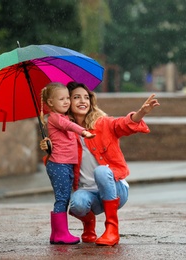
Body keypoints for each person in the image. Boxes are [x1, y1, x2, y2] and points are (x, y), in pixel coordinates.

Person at [40, 82, 160, 246]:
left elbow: (123, 124)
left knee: (102, 172)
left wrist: (140, 113)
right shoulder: (64, 132)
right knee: (76, 204)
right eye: (76, 97)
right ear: (67, 101)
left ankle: (112, 229)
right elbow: (60, 161)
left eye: (86, 97)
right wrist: (49, 146)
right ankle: (89, 223)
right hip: (89, 193)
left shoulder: (103, 123)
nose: (83, 101)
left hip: (116, 189)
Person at [40, 82, 95, 245]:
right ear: (50, 103)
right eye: (61, 99)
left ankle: (56, 233)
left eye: (67, 98)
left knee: (63, 198)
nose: (66, 102)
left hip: (65, 164)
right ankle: (61, 233)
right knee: (62, 199)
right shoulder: (56, 117)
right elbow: (68, 126)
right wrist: (83, 131)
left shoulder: (62, 116)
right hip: (59, 164)